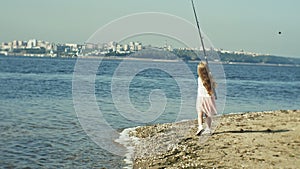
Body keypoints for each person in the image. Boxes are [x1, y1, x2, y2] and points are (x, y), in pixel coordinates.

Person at [195, 61, 217, 135]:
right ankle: (208, 128)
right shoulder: (210, 78)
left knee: (200, 113)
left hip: (201, 98)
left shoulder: (199, 79)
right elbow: (213, 86)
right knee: (208, 114)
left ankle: (200, 126)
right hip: (209, 98)